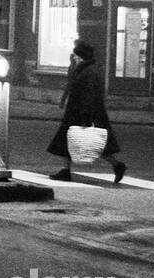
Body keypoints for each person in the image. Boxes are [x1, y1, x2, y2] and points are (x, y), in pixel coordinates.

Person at [46, 40, 127, 183]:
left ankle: (116, 165)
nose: (74, 57)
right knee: (70, 141)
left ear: (82, 56)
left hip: (83, 113)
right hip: (79, 112)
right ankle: (66, 170)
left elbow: (89, 95)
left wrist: (85, 116)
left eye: (77, 55)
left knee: (93, 143)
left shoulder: (88, 72)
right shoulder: (84, 69)